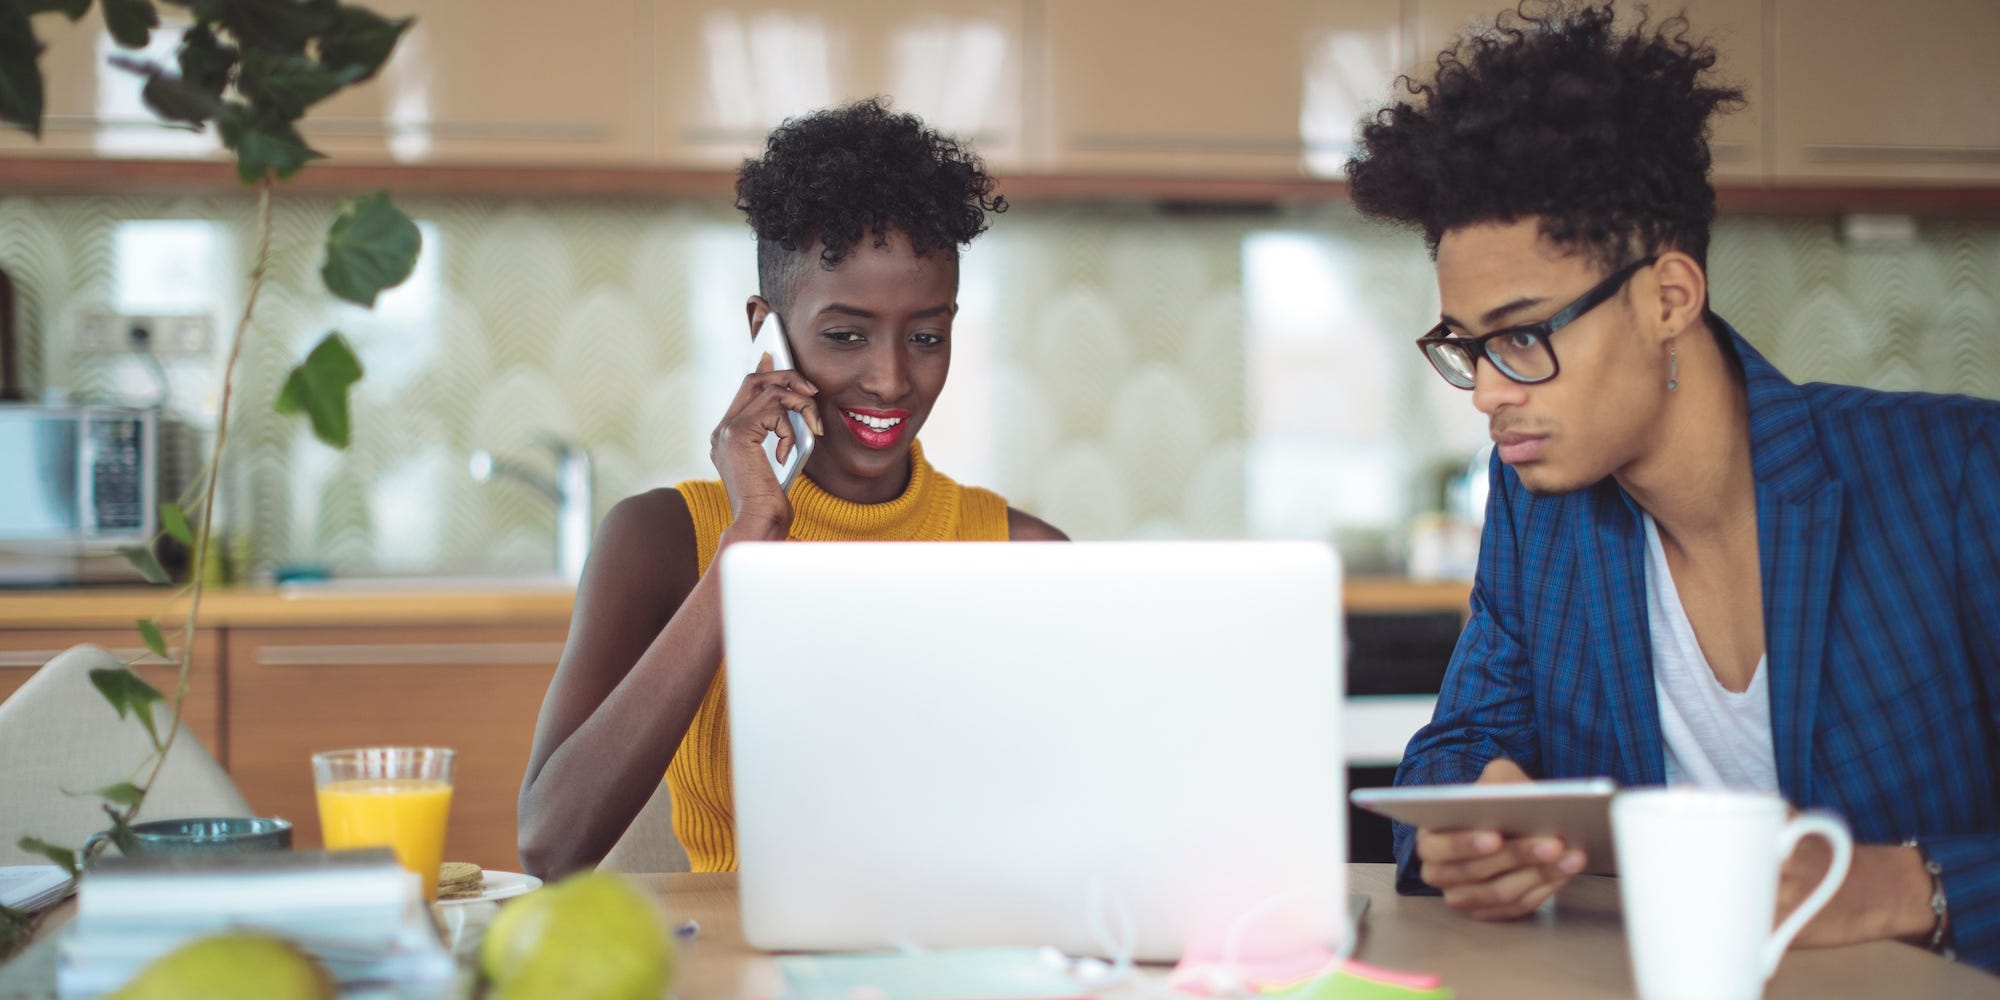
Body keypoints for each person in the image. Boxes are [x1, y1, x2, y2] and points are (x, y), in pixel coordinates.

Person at [1343, 2, 1999, 971]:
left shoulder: (1954, 478)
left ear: (1667, 298)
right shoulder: (1536, 507)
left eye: (1521, 336)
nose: (1484, 391)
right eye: (1465, 346)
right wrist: (1464, 835)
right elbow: (1451, 753)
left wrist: (1906, 885)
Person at [518, 98, 1066, 879]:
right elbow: (551, 842)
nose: (891, 379)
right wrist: (748, 542)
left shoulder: (1024, 554)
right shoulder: (661, 541)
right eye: (845, 335)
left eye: (927, 336)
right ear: (765, 331)